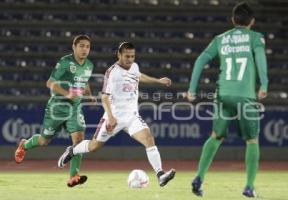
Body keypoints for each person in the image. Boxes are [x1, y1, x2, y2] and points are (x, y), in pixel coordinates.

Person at [58, 42, 176, 187]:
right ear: (119, 55)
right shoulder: (112, 72)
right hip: (113, 117)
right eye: (127, 56)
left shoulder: (134, 66)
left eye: (132, 56)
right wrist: (111, 117)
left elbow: (139, 76)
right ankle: (73, 150)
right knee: (94, 147)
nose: (130, 59)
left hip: (132, 116)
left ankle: (160, 175)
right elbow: (104, 97)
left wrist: (158, 81)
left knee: (149, 139)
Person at [186, 2, 268, 198]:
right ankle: (248, 187)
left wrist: (191, 89)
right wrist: (264, 84)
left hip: (223, 94)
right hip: (245, 95)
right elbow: (260, 59)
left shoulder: (220, 39)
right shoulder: (255, 38)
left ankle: (198, 178)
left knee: (216, 136)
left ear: (233, 20)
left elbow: (200, 60)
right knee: (252, 140)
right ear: (252, 22)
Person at [15, 34, 96, 187]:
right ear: (74, 47)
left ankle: (74, 176)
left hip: (75, 108)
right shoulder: (65, 62)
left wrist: (90, 95)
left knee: (78, 140)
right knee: (44, 140)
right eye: (81, 46)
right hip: (57, 108)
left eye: (87, 47)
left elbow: (84, 82)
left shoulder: (89, 65)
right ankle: (24, 145)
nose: (85, 49)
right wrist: (67, 94)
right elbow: (50, 82)